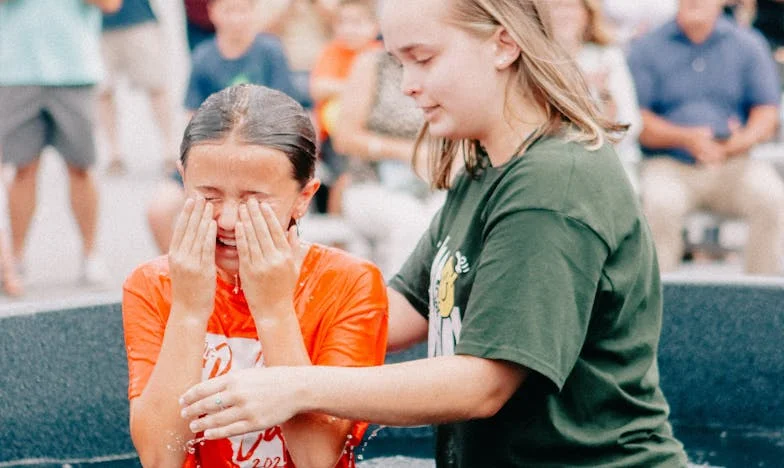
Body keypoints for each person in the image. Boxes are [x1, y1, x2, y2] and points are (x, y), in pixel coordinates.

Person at [179, 1, 689, 466]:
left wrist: (298, 387)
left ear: (504, 43)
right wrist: (252, 304)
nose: (406, 85)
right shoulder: (486, 162)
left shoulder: (552, 185)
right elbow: (405, 307)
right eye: (400, 63)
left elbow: (481, 383)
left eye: (422, 59)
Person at [123, 84, 388, 467]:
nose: (228, 220)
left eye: (255, 201)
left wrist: (274, 310)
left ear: (304, 196)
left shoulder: (349, 283)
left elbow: (317, 459)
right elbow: (160, 459)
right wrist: (188, 310)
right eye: (209, 196)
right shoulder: (153, 285)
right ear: (183, 180)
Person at [628, 0, 784, 274]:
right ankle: (659, 303)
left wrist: (738, 142)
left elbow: (766, 112)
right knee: (660, 205)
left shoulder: (747, 44)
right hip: (668, 164)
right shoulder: (646, 47)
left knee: (772, 199)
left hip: (734, 162)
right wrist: (687, 138)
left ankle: (762, 302)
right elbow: (637, 120)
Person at [147, 0, 304, 254]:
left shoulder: (270, 51)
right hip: (211, 158)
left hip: (260, 159)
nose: (237, 18)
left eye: (243, 10)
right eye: (230, 10)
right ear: (213, 13)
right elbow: (192, 119)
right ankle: (181, 274)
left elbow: (289, 115)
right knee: (158, 210)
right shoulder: (203, 57)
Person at [0, 0, 121, 287]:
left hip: (75, 70)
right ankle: (15, 259)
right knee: (23, 168)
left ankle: (91, 253)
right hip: (16, 71)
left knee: (81, 167)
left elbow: (110, 4)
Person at [551, 0, 642, 191]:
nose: (564, 14)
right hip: (555, 163)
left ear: (587, 13)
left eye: (571, 6)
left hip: (606, 160)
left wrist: (603, 93)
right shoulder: (537, 61)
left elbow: (629, 124)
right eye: (557, 5)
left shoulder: (608, 57)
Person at [100, 0, 178, 175]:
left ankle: (169, 149)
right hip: (95, 24)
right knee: (103, 91)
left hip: (139, 19)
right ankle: (114, 153)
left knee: (156, 85)